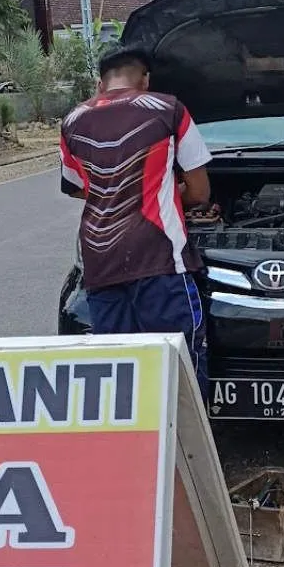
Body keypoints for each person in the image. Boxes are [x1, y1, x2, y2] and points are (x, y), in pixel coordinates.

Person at [59, 44, 214, 399]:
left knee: (119, 372)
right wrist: (169, 193)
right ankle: (180, 452)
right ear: (145, 79)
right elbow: (200, 191)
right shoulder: (168, 109)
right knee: (179, 368)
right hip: (158, 260)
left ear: (101, 83)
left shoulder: (71, 121)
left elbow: (78, 187)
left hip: (100, 264)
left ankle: (132, 451)